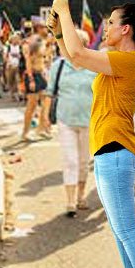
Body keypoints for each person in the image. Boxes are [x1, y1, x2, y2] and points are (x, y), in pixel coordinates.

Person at [50, 0, 135, 268]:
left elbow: (77, 52)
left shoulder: (128, 61)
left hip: (116, 150)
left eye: (112, 22)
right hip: (108, 150)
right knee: (119, 229)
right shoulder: (115, 58)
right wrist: (59, 31)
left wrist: (64, 11)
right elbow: (74, 57)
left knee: (127, 229)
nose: (106, 27)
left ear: (127, 29)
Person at [46, 29, 97, 215]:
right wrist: (44, 116)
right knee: (70, 161)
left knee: (84, 161)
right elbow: (50, 92)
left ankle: (81, 195)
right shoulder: (58, 66)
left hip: (89, 120)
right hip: (65, 119)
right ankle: (69, 201)